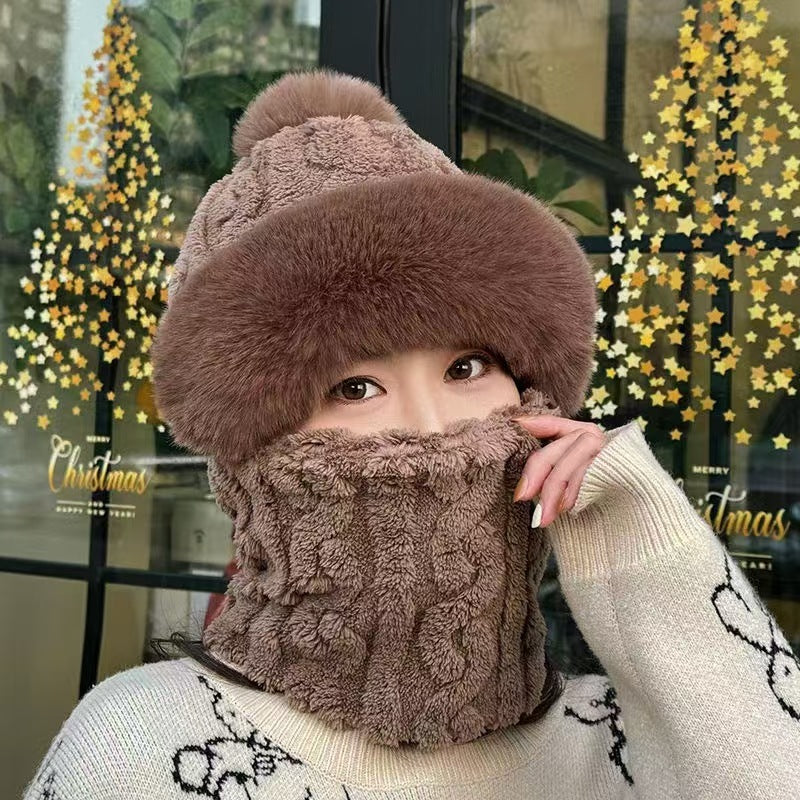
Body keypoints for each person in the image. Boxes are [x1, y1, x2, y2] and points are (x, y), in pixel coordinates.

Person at [23, 68, 799, 800]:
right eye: (354, 387)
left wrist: (658, 555)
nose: (433, 430)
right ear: (252, 452)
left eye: (468, 367)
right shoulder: (140, 746)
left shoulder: (623, 743)